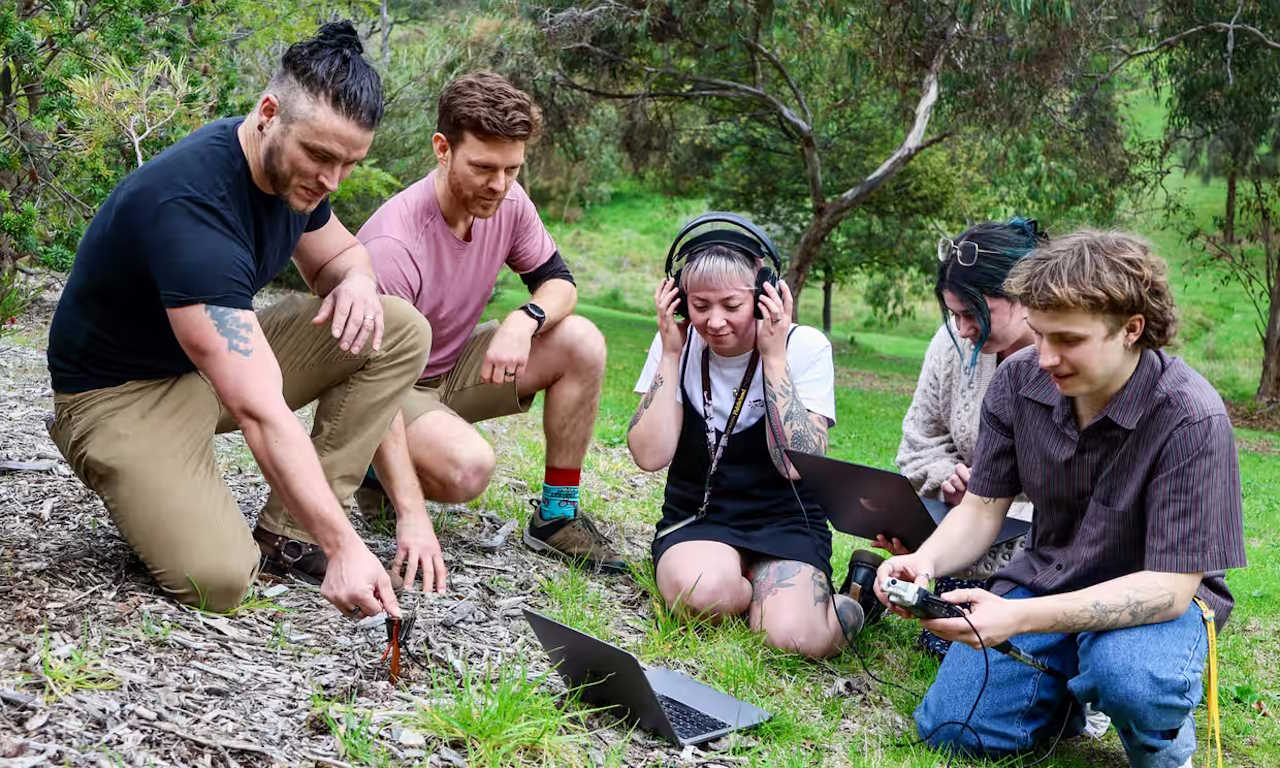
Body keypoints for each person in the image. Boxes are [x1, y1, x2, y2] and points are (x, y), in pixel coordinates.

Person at [45, 22, 431, 619]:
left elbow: (343, 254)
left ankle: (289, 536)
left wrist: (356, 279)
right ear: (268, 112)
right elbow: (260, 410)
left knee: (399, 327)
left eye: (350, 163)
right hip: (119, 397)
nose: (331, 179)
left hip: (206, 365)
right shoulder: (191, 207)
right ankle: (311, 533)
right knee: (218, 580)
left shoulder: (292, 177)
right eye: (322, 157)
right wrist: (347, 545)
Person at [875, 230, 1247, 767]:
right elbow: (981, 508)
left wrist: (1019, 620)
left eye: (1068, 340)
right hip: (1049, 574)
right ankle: (1065, 698)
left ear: (1131, 329)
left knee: (1131, 677)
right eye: (1039, 333)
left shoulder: (1191, 416)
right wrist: (924, 560)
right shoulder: (1017, 382)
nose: (1045, 357)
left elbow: (1168, 590)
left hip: (1158, 606)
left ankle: (1163, 738)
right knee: (954, 730)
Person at [357, 72, 618, 580]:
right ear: (442, 148)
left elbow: (559, 283)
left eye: (512, 169)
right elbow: (371, 382)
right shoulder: (395, 243)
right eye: (482, 167)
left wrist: (526, 318)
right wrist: (413, 514)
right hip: (388, 389)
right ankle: (373, 473)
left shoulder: (509, 202)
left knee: (582, 340)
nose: (498, 185)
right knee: (468, 469)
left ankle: (557, 515)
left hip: (450, 370)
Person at [627, 227, 882, 659]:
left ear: (764, 297)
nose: (715, 321)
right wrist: (670, 355)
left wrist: (774, 358)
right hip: (699, 516)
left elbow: (796, 464)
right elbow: (649, 455)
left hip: (785, 519)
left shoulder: (804, 347)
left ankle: (852, 605)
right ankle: (745, 586)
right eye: (700, 305)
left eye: (732, 305)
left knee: (791, 639)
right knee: (702, 597)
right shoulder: (678, 343)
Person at [889, 218, 1041, 655]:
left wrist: (992, 497)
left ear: (1024, 295)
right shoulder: (949, 347)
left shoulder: (1066, 361)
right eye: (953, 314)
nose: (962, 328)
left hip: (1039, 542)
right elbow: (919, 442)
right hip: (964, 526)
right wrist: (948, 477)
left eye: (973, 313)